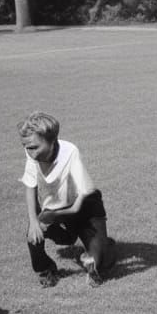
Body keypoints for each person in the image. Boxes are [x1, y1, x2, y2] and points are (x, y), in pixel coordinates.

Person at [17, 111, 112, 287]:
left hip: (85, 207)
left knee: (100, 265)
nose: (30, 153)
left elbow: (77, 206)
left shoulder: (70, 152)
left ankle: (102, 246)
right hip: (58, 207)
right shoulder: (31, 152)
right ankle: (46, 268)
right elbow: (30, 185)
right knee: (34, 235)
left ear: (52, 141)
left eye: (34, 147)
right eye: (26, 147)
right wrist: (33, 222)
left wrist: (54, 215)